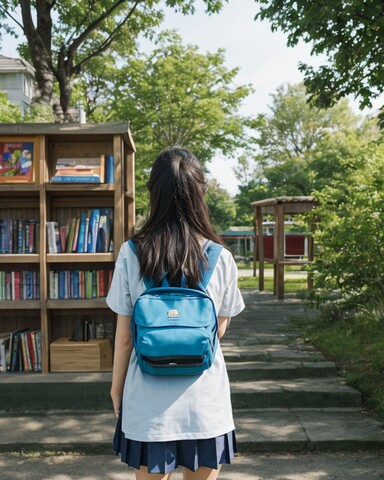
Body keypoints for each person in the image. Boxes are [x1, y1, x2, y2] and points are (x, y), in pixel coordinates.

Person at [106, 146, 245, 480]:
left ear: (155, 192)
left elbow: (125, 339)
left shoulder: (132, 252)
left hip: (147, 403)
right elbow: (217, 331)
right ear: (200, 193)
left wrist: (116, 388)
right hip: (204, 402)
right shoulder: (219, 256)